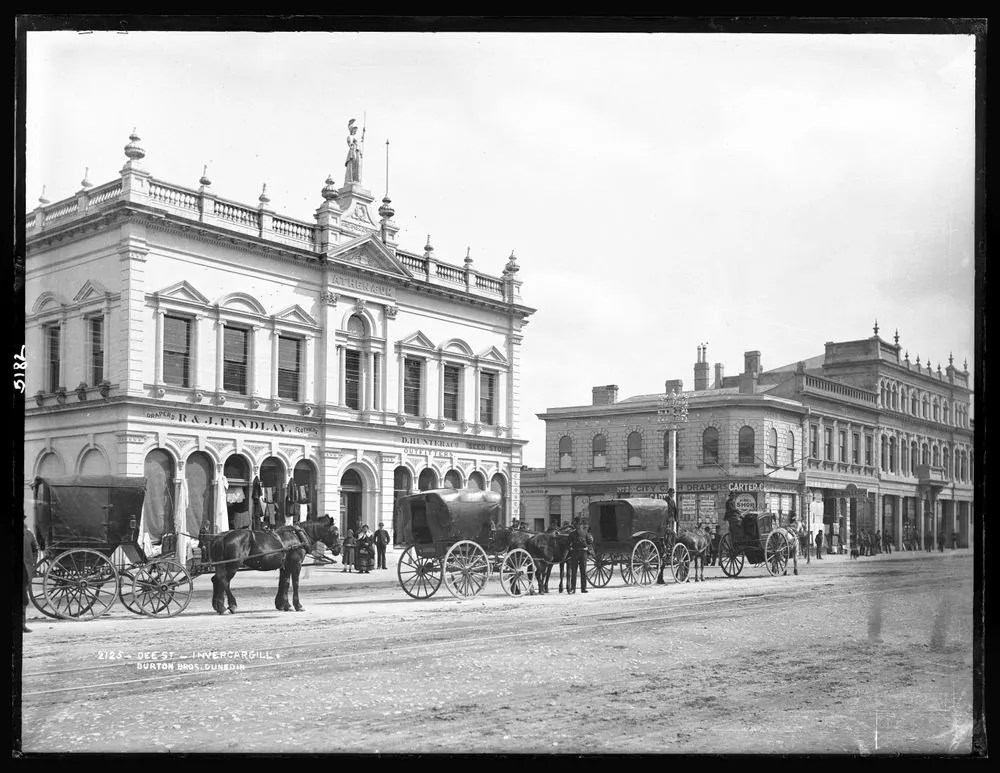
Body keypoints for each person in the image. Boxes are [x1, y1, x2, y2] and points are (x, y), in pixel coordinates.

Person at [566, 517, 593, 594]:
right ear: (576, 526)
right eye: (577, 525)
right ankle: (573, 588)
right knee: (574, 571)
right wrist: (570, 548)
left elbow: (590, 542)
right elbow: (567, 544)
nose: (578, 526)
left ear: (581, 525)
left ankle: (583, 588)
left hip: (583, 553)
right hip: (574, 553)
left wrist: (587, 548)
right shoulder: (572, 534)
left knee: (583, 572)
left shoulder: (585, 533)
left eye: (580, 525)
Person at [23, 515, 39, 633]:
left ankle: (22, 625)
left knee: (23, 599)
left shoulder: (28, 534)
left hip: (24, 571)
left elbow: (35, 550)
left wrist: (32, 564)